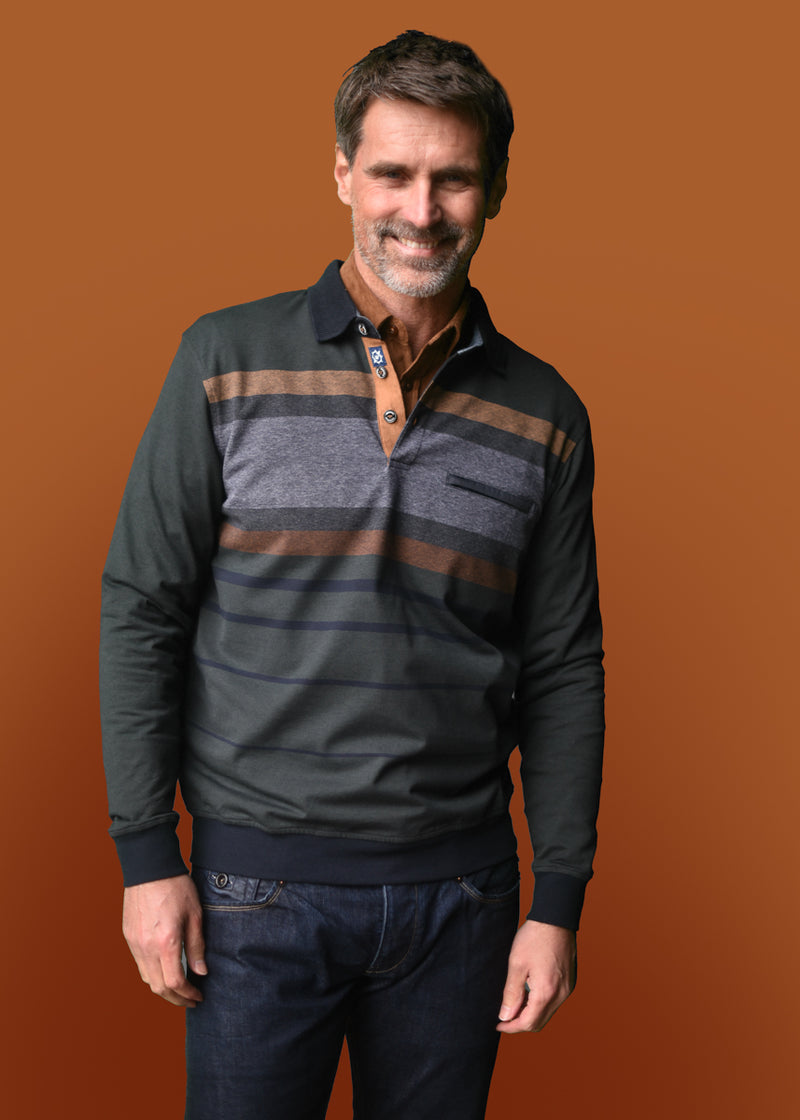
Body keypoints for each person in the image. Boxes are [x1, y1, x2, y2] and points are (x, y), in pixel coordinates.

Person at [100, 29, 604, 1120]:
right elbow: (143, 608)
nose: (421, 210)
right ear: (341, 175)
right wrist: (146, 858)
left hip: (461, 901)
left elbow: (563, 665)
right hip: (250, 894)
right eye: (391, 173)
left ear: (495, 189)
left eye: (453, 178)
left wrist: (556, 898)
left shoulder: (547, 413)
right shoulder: (223, 360)